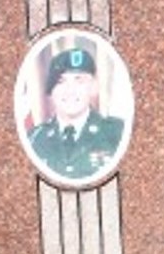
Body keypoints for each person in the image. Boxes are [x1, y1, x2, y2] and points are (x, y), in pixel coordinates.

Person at [28, 48, 124, 181]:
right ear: (51, 90)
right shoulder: (34, 139)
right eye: (61, 81)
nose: (70, 90)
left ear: (93, 87)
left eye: (79, 80)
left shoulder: (117, 134)